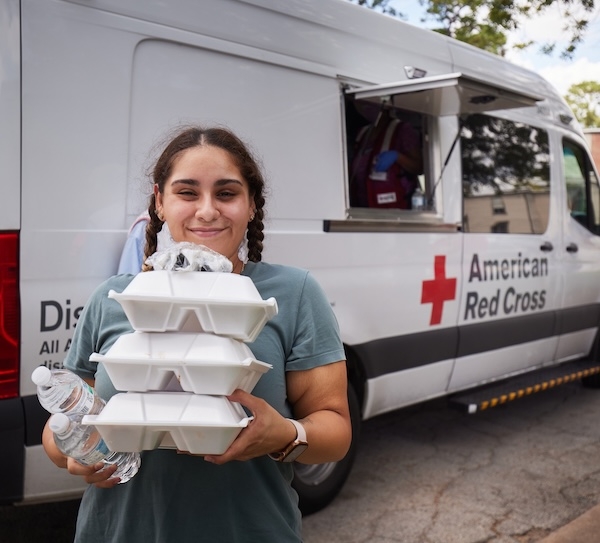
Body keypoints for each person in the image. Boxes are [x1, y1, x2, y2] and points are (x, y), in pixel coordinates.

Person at [41, 125, 352, 543]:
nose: (207, 211)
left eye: (226, 193)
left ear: (252, 205)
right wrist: (73, 454)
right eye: (187, 192)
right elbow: (61, 422)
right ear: (160, 202)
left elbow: (335, 431)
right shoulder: (115, 298)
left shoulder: (293, 295)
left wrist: (284, 435)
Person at [349, 105, 423, 209]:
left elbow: (419, 167)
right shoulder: (362, 133)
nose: (366, 107)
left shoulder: (403, 130)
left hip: (394, 210)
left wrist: (397, 157)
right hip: (362, 209)